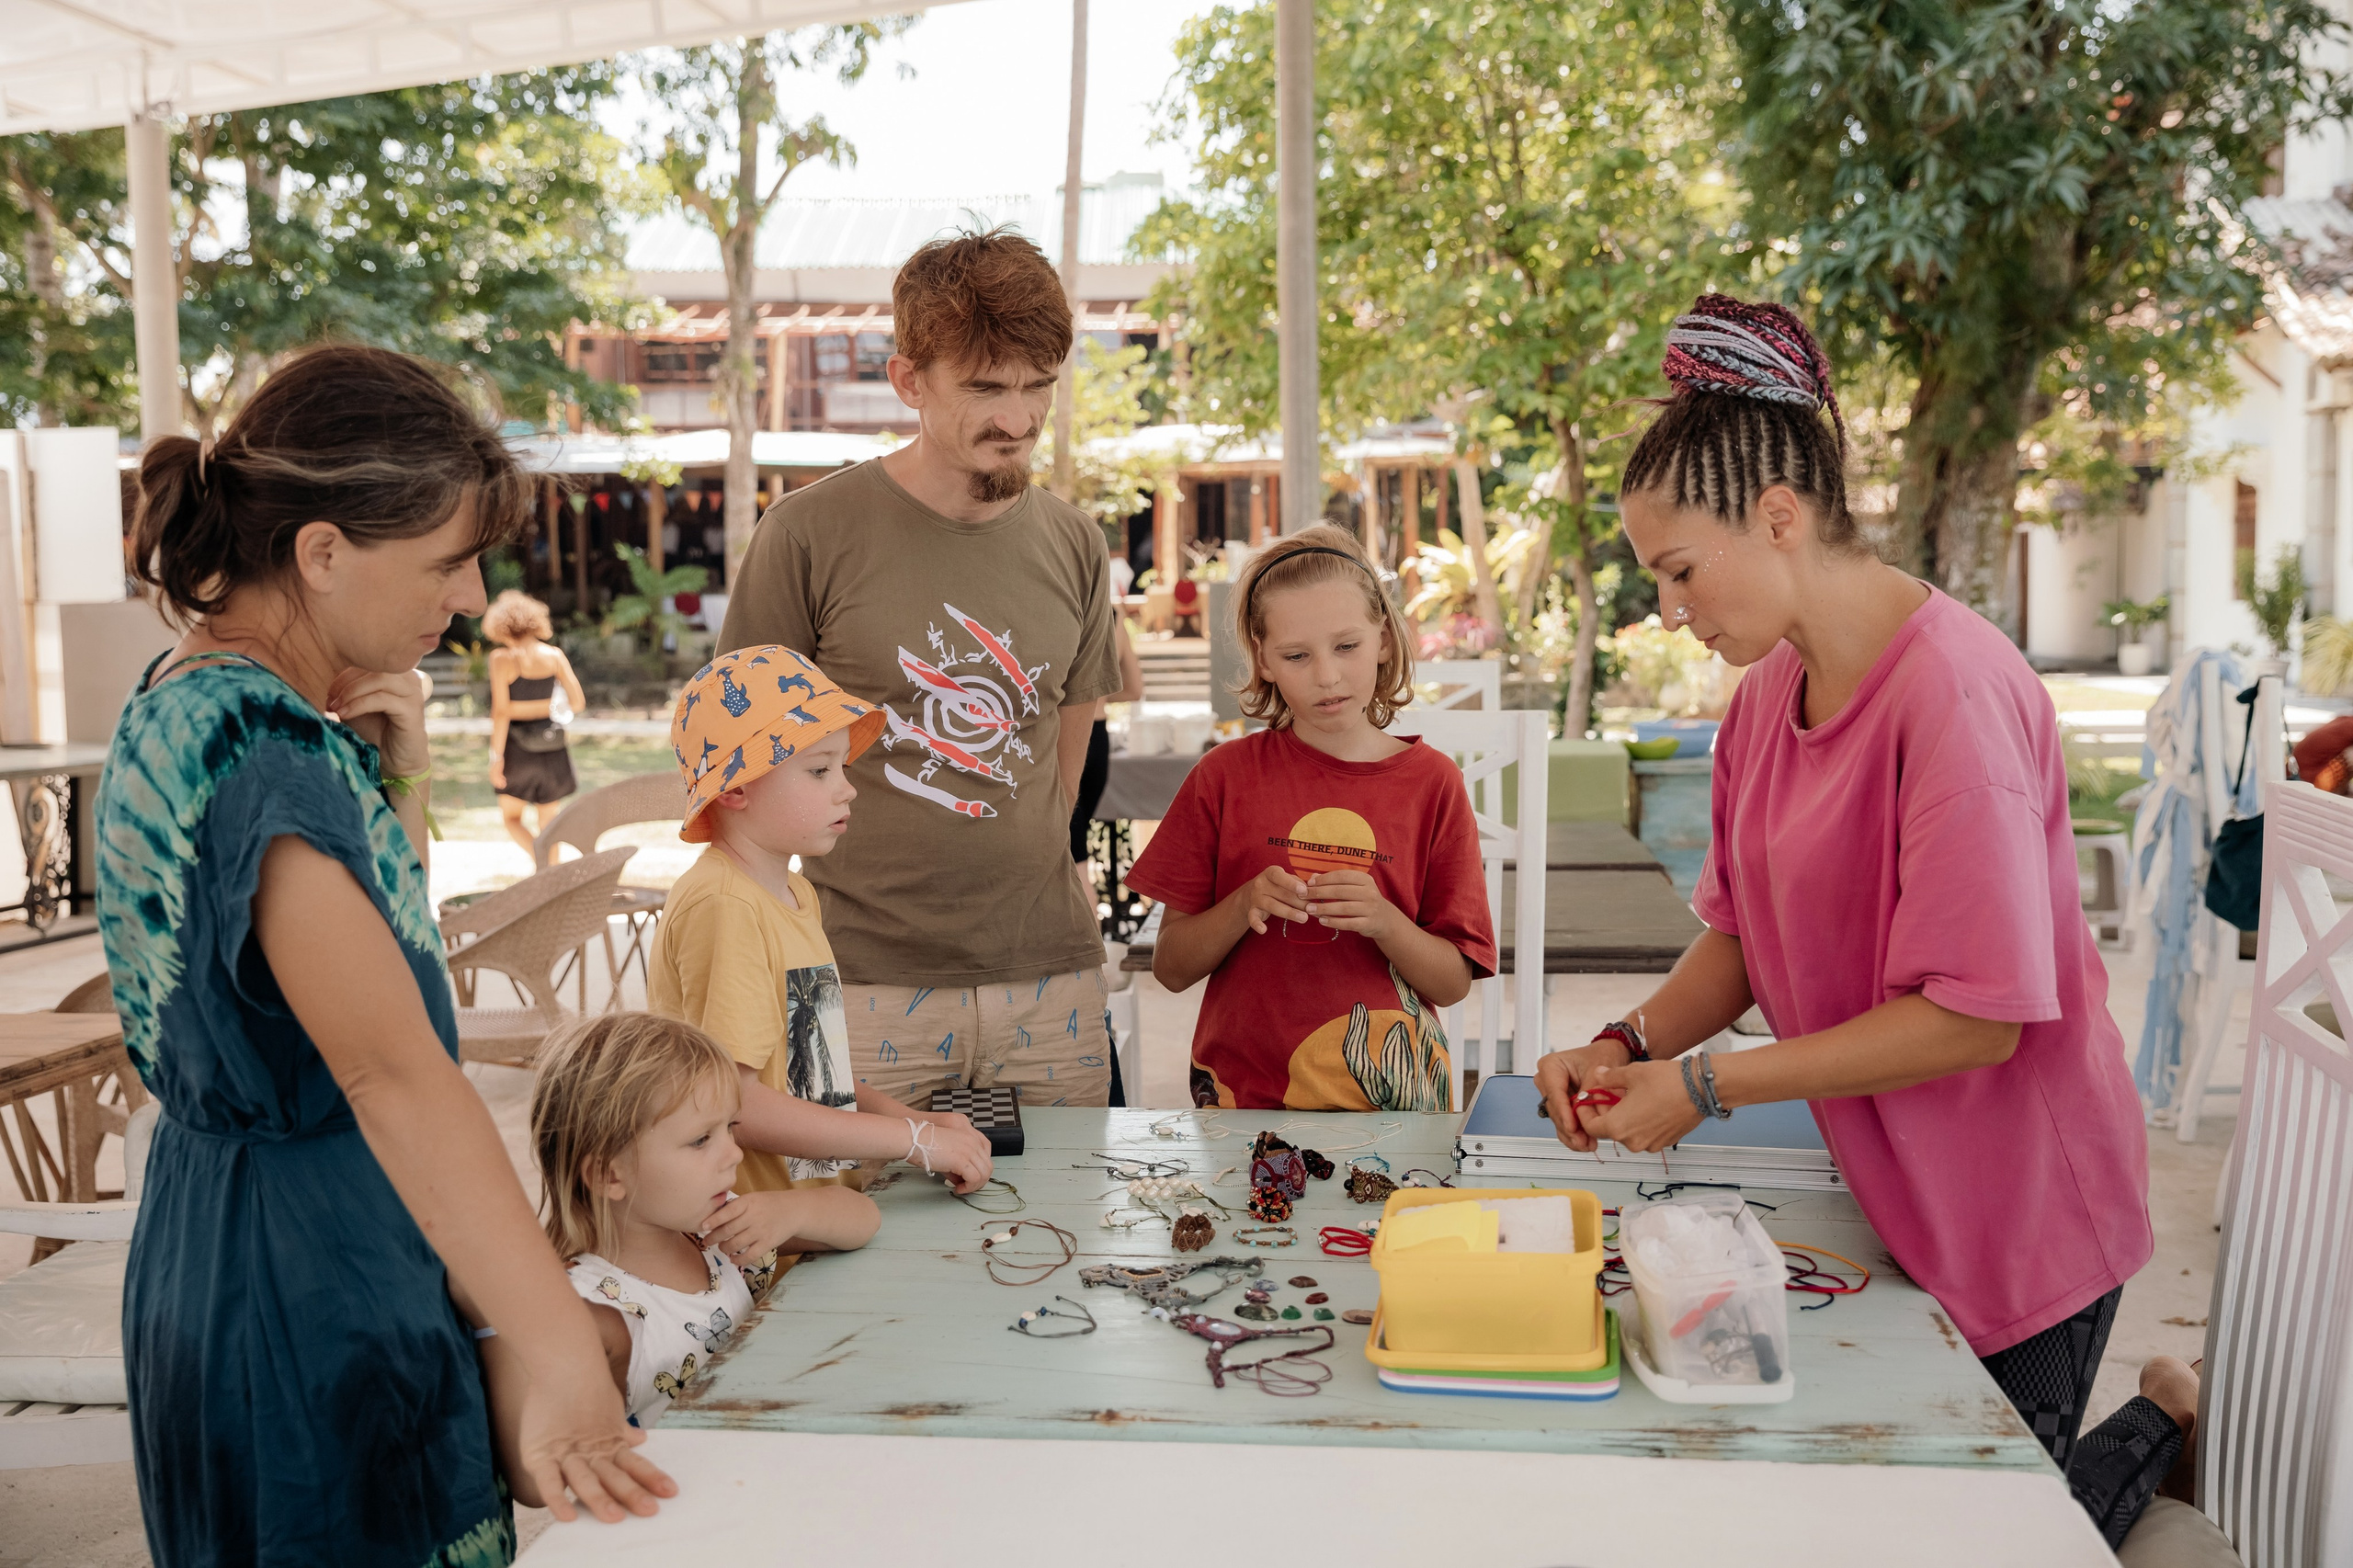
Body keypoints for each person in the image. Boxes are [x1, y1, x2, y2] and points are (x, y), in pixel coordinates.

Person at [1530, 296, 2153, 1510]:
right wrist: (1630, 1043)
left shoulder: (1956, 701)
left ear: (1780, 516)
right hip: (1892, 1195)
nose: (1669, 609)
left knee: (1995, 1527)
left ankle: (2164, 1417)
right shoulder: (1769, 697)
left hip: (2019, 1219)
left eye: (1678, 571)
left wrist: (1703, 1089)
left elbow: (1973, 1021)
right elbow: (1744, 939)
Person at [96, 345, 669, 1566]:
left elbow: (350, 969)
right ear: (320, 550)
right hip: (311, 1280)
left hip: (232, 1238)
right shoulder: (262, 745)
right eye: (447, 561)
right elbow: (394, 1074)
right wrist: (563, 1346)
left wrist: (389, 770)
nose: (469, 598)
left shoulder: (191, 699)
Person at [722, 227, 1123, 1109]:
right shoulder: (805, 536)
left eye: (1037, 387)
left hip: (1049, 975)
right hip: (845, 975)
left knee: (1077, 1235)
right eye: (984, 387)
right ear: (909, 381)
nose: (1017, 419)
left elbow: (1069, 746)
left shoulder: (1075, 543)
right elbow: (739, 766)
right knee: (839, 1236)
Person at [1127, 526, 1495, 1110]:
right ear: (1263, 660)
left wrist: (1384, 921)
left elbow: (1451, 985)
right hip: (1243, 1104)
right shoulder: (1223, 777)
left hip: (1396, 1108)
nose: (1326, 676)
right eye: (1297, 656)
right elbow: (1170, 968)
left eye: (1346, 647)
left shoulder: (1434, 783)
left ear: (1384, 639)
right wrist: (1241, 905)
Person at [648, 645, 994, 1238]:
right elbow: (736, 1104)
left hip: (815, 1215)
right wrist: (908, 1141)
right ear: (735, 789)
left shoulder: (791, 893)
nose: (847, 789)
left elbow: (811, 1073)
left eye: (842, 767)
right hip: (752, 1233)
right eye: (818, 770)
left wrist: (918, 1122)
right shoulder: (725, 906)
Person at [523, 1013, 880, 1429]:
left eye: (729, 1129)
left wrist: (793, 1210)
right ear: (608, 1174)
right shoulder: (591, 1309)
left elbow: (863, 1219)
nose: (734, 1154)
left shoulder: (714, 1231)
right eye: (700, 1140)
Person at [484, 588, 585, 859]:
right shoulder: (554, 655)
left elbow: (501, 713)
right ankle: (552, 876)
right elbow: (577, 703)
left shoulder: (501, 658)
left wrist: (496, 759)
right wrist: (549, 706)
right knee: (549, 824)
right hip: (551, 748)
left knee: (512, 819)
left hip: (517, 750)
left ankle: (542, 864)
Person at [1068, 608, 1144, 867]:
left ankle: (1086, 908)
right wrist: (1097, 698)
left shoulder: (1060, 605)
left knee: (1071, 854)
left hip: (1067, 736)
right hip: (1099, 737)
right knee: (1075, 849)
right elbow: (1134, 689)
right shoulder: (1112, 613)